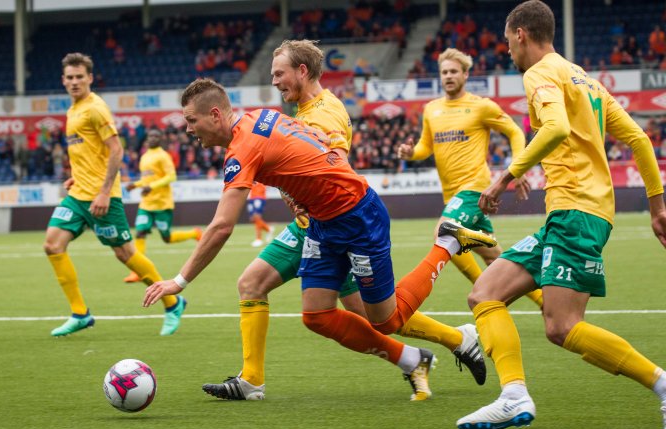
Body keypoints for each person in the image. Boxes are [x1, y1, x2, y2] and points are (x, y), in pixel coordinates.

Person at [142, 78, 498, 402]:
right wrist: (301, 189)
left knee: (385, 319)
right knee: (315, 314)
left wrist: (179, 281)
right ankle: (408, 358)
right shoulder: (259, 117)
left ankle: (447, 247)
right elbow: (304, 149)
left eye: (191, 120)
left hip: (356, 217)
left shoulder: (246, 145)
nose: (187, 129)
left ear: (215, 114)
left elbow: (222, 226)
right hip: (321, 223)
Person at [455, 1, 666, 429]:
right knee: (485, 293)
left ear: (520, 35)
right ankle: (514, 394)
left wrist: (504, 179)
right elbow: (640, 140)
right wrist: (657, 207)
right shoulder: (585, 79)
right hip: (573, 214)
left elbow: (554, 129)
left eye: (508, 41)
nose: (507, 51)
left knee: (562, 327)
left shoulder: (539, 74)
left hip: (577, 212)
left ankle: (662, 385)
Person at [44, 53, 187, 338]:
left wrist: (104, 192)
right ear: (63, 80)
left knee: (125, 254)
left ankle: (173, 303)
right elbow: (88, 152)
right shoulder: (72, 110)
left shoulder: (96, 108)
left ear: (89, 78)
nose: (74, 81)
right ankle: (80, 314)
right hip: (78, 195)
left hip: (102, 197)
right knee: (52, 245)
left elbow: (116, 150)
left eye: (79, 77)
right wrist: (77, 175)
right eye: (70, 77)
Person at [398, 47, 544, 308]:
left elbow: (514, 131)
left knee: (444, 233)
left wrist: (517, 168)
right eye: (444, 72)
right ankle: (543, 300)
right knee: (493, 255)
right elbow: (425, 147)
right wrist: (411, 153)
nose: (448, 76)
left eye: (454, 71)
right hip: (452, 195)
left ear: (465, 75)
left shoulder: (481, 106)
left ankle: (485, 292)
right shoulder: (431, 109)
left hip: (475, 188)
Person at [122, 128, 202, 283]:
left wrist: (151, 187)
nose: (152, 138)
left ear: (160, 140)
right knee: (140, 233)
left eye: (156, 136)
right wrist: (136, 185)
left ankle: (195, 233)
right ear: (147, 139)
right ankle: (137, 272)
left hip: (162, 203)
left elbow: (171, 176)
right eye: (150, 136)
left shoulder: (163, 156)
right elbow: (148, 179)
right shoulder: (144, 157)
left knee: (167, 238)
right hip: (146, 204)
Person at [247, 181, 272, 247]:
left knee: (257, 217)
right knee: (253, 219)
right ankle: (268, 229)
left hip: (259, 197)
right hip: (252, 197)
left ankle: (259, 239)